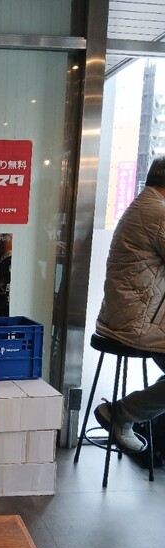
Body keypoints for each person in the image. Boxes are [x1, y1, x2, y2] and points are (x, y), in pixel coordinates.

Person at [94, 156, 165, 452]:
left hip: (129, 316)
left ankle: (129, 415)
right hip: (136, 323)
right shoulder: (157, 213)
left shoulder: (145, 206)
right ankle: (123, 413)